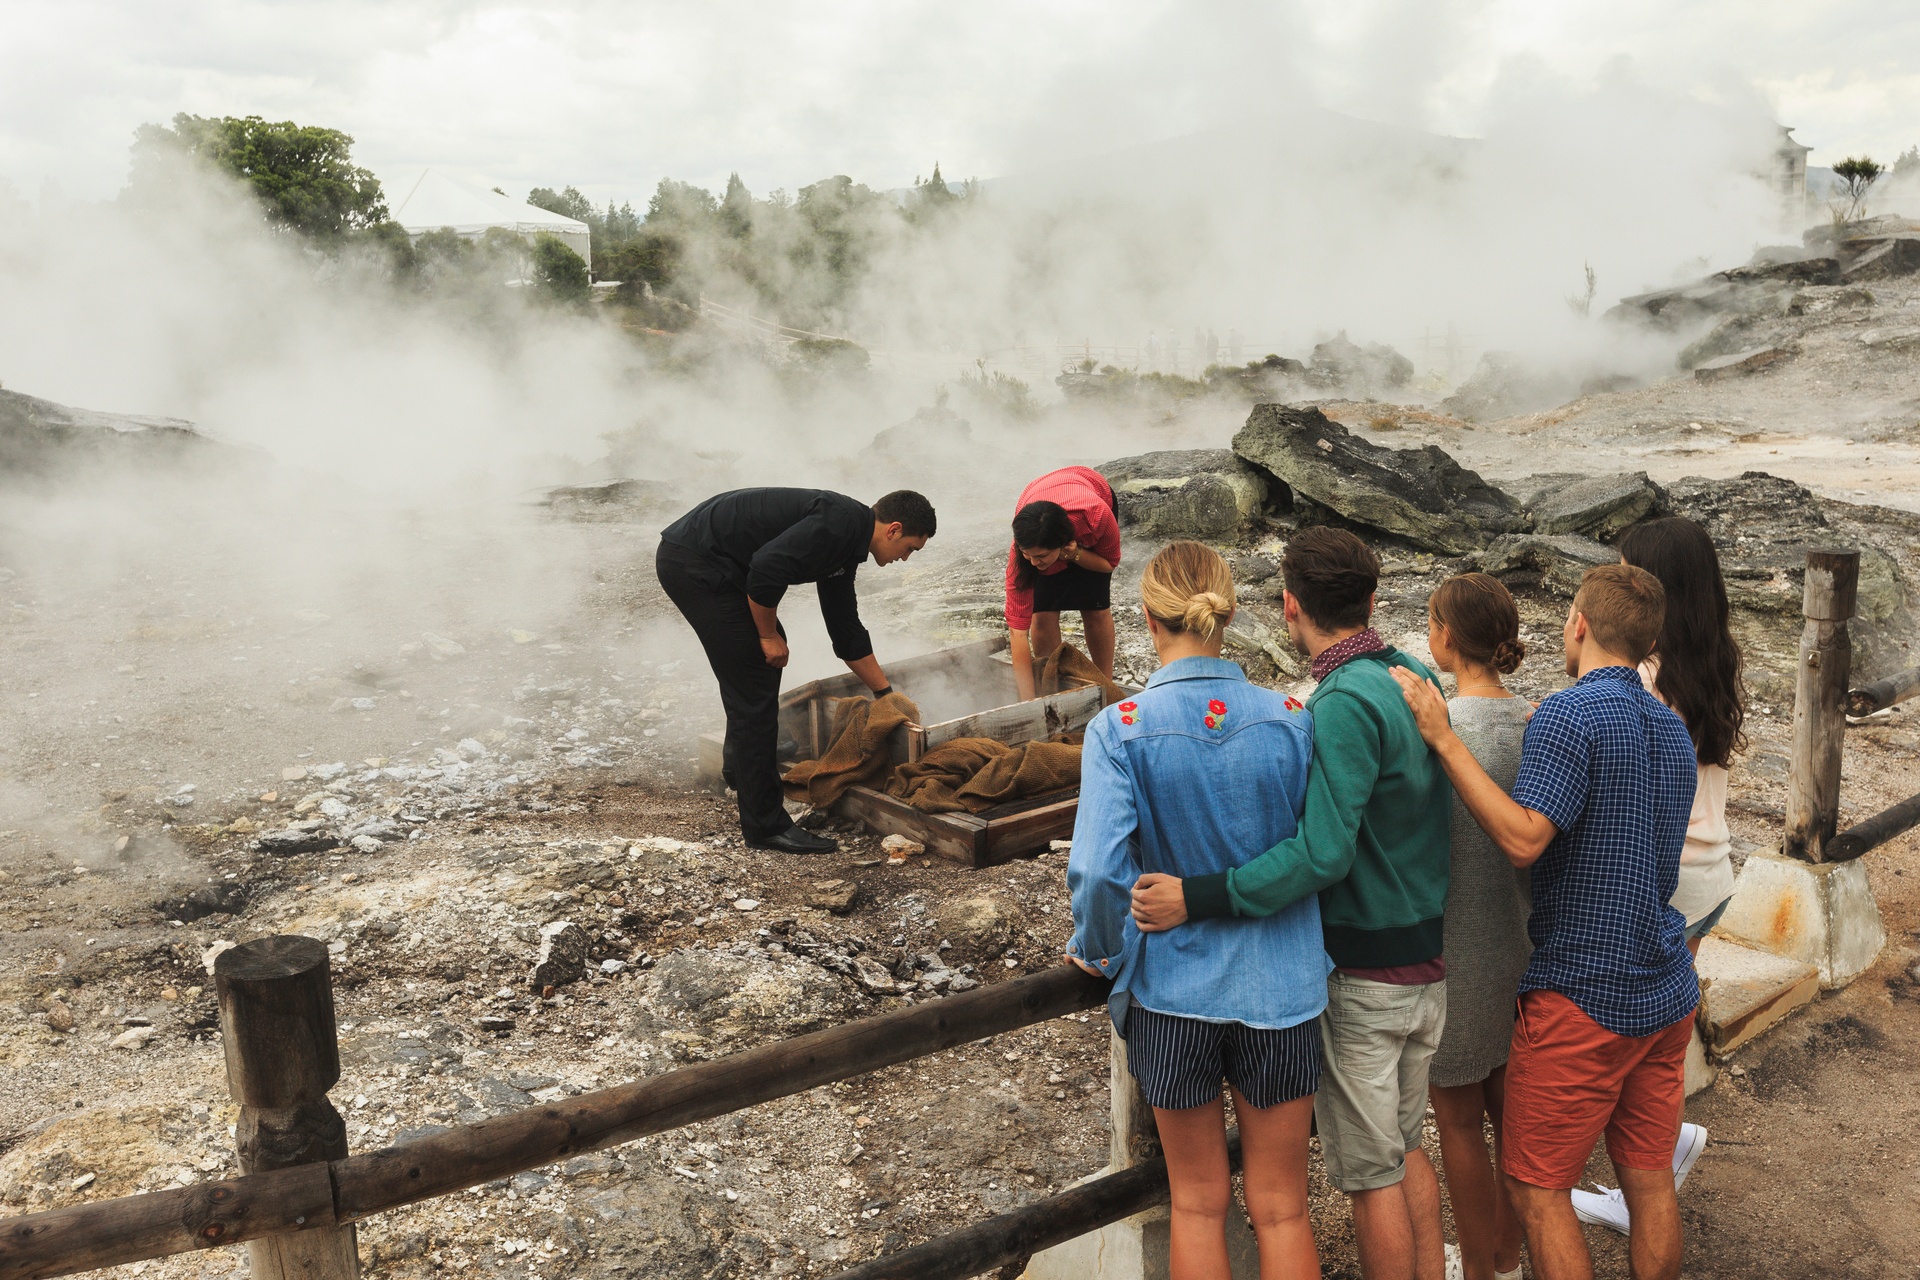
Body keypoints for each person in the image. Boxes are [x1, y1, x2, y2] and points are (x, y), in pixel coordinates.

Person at [1131, 526, 1452, 1280]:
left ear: (1288, 606)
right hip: (1425, 957)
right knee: (1406, 1149)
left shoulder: (1338, 703)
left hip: (1367, 967)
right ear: (1372, 597)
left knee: (1372, 1175)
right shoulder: (1409, 673)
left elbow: (1323, 853)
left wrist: (1199, 895)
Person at [1389, 564, 1699, 1280]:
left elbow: (1525, 840)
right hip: (1666, 984)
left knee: (1537, 1188)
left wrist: (1445, 739)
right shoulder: (1670, 728)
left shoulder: (1568, 715)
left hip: (1586, 991)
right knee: (1649, 1179)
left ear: (1579, 625)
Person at [1066, 541, 1324, 1280]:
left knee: (1198, 1203)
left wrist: (1100, 949)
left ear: (1148, 619)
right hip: (1284, 990)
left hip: (1174, 993)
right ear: (1229, 614)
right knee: (1283, 1207)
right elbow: (1315, 849)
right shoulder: (1293, 718)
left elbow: (1097, 870)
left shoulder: (1119, 727)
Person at [1568, 517, 1740, 1232]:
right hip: (1713, 869)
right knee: (1662, 1029)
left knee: (1637, 1042)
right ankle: (1667, 1148)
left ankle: (1647, 1174)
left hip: (1670, 873)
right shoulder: (1715, 657)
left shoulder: (1645, 677)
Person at [656, 488, 936, 854]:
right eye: (911, 548)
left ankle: (740, 764)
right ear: (894, 529)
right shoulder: (838, 526)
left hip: (708, 557)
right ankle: (765, 826)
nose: (905, 558)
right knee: (756, 673)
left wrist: (885, 694)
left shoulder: (847, 541)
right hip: (694, 561)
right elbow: (765, 568)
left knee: (760, 663)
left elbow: (845, 629)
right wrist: (767, 635)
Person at [1420, 574, 1532, 1280]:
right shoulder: (1538, 721)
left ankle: (1480, 1269)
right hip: (1522, 945)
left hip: (1455, 950)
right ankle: (1511, 1257)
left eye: (1431, 622)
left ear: (1446, 637)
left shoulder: (1441, 730)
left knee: (1458, 1123)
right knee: (1512, 1119)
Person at [1005, 466, 1122, 701]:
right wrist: (1028, 702)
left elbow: (1109, 563)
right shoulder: (1022, 557)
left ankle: (1106, 689)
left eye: (1041, 556)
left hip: (1088, 496)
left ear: (1062, 545)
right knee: (1043, 613)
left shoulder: (1097, 516)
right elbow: (1018, 633)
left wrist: (1076, 554)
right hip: (1039, 497)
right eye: (1028, 555)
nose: (1033, 562)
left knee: (1095, 607)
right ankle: (1048, 689)